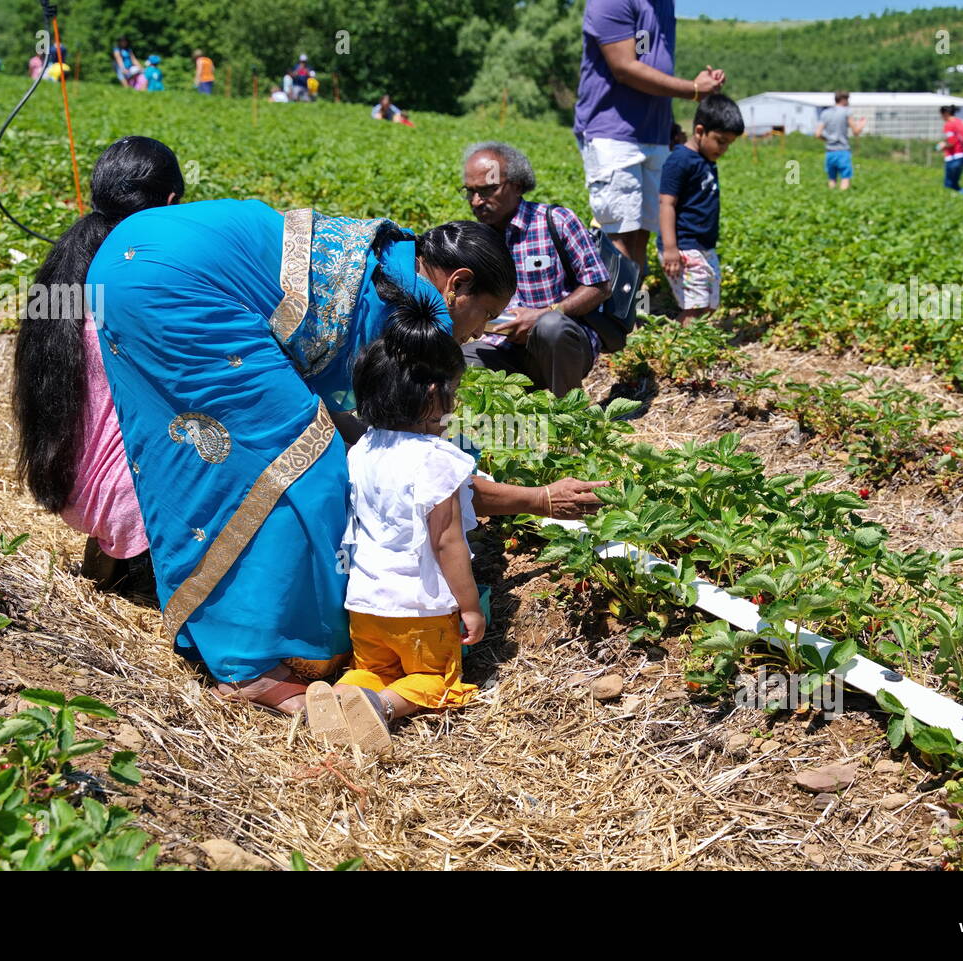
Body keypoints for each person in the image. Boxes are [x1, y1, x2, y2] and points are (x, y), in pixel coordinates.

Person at [85, 200, 607, 716]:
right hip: (178, 283)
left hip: (136, 259)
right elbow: (425, 479)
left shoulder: (396, 267)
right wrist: (538, 498)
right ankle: (251, 664)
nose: (477, 334)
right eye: (485, 315)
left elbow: (375, 439)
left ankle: (213, 607)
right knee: (301, 471)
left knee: (214, 453)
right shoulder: (401, 315)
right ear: (459, 284)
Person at [304, 301, 482, 754]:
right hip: (419, 611)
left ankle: (347, 695)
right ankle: (381, 708)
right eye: (453, 393)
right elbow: (447, 542)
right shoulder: (438, 460)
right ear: (432, 396)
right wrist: (471, 607)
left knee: (374, 668)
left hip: (366, 607)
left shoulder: (362, 449)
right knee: (434, 680)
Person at [12, 137, 184, 598]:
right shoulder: (146, 277)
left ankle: (116, 554)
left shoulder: (65, 271)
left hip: (70, 487)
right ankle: (142, 562)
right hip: (124, 501)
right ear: (169, 203)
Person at [574, 0, 724, 270]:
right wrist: (692, 89)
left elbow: (655, 64)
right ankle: (612, 310)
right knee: (618, 234)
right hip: (613, 132)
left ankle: (632, 309)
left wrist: (668, 124)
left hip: (654, 133)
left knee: (641, 235)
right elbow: (625, 68)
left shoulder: (664, 4)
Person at [460, 142, 611, 398]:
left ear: (517, 185)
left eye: (487, 190)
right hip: (504, 349)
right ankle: (510, 419)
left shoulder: (556, 221)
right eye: (470, 192)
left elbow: (599, 285)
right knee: (454, 360)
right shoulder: (474, 238)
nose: (476, 201)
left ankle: (571, 414)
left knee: (550, 326)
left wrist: (542, 315)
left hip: (562, 345)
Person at [659, 94, 742, 325]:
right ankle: (678, 350)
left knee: (709, 305)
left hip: (705, 246)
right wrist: (670, 248)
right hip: (684, 247)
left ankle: (679, 344)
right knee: (695, 308)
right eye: (720, 140)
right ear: (699, 131)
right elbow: (666, 204)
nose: (724, 148)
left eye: (729, 143)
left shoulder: (706, 159)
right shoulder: (680, 160)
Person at [815, 91, 866, 190]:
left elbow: (817, 134)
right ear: (843, 100)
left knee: (832, 179)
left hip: (829, 151)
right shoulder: (846, 112)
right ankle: (842, 199)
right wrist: (861, 125)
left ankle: (831, 198)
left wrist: (828, 140)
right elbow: (855, 132)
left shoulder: (825, 113)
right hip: (842, 150)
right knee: (845, 178)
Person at [939, 104, 963, 194]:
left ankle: (949, 199)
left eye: (941, 115)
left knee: (949, 184)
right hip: (962, 154)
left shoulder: (948, 125)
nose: (941, 118)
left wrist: (943, 145)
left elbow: (951, 142)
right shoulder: (960, 122)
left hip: (953, 156)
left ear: (945, 113)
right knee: (956, 182)